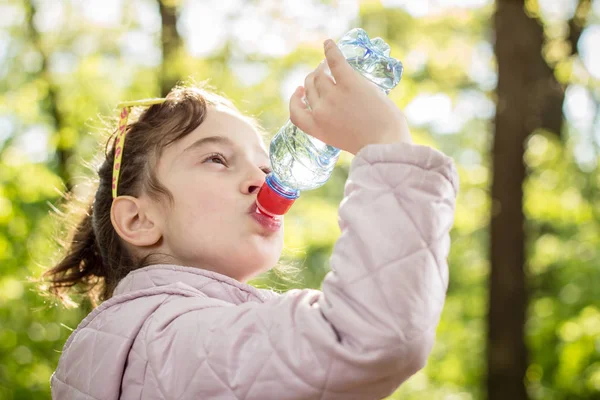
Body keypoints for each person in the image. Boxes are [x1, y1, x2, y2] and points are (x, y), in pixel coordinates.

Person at [45, 38, 459, 399]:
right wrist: (385, 145)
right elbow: (366, 336)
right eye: (217, 158)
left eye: (265, 165)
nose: (260, 179)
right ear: (138, 220)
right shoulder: (162, 338)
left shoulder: (164, 338)